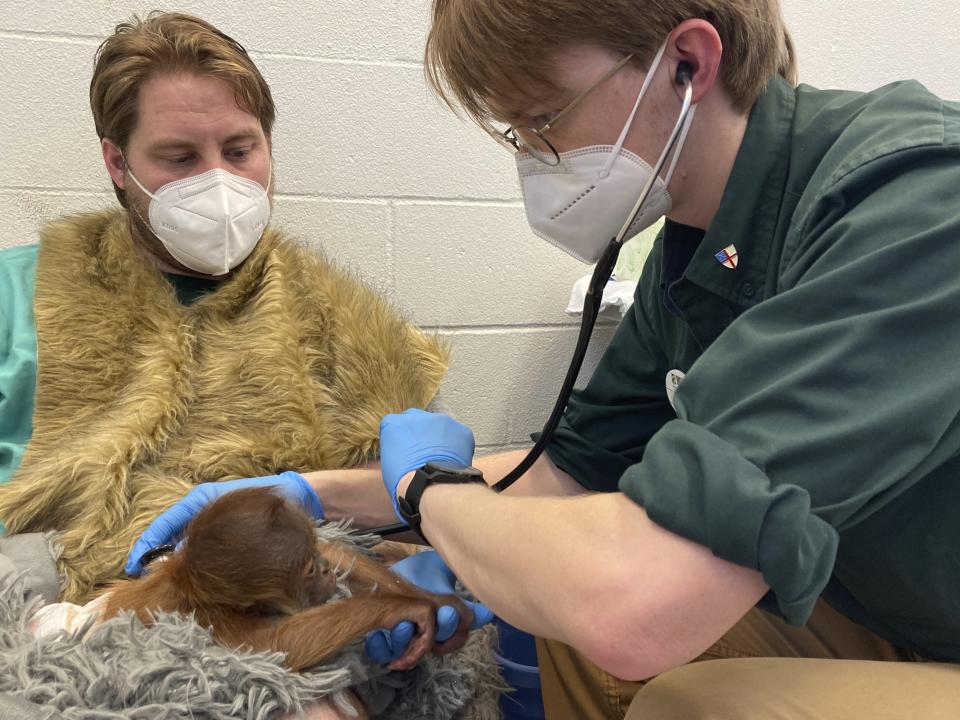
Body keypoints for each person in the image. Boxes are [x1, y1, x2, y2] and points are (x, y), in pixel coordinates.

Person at [133, 1, 960, 718]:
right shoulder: (689, 252)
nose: (535, 160)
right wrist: (312, 494)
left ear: (687, 62)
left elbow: (638, 606)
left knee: (684, 697)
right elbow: (567, 471)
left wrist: (430, 492)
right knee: (560, 625)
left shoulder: (912, 201)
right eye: (518, 132)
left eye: (545, 119)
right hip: (885, 601)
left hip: (930, 631)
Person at [0, 10, 499, 720]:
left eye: (240, 149)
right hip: (65, 620)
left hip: (281, 615)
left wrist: (402, 555)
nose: (219, 183)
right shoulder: (20, 301)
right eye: (178, 158)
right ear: (118, 163)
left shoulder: (343, 321)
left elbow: (415, 499)